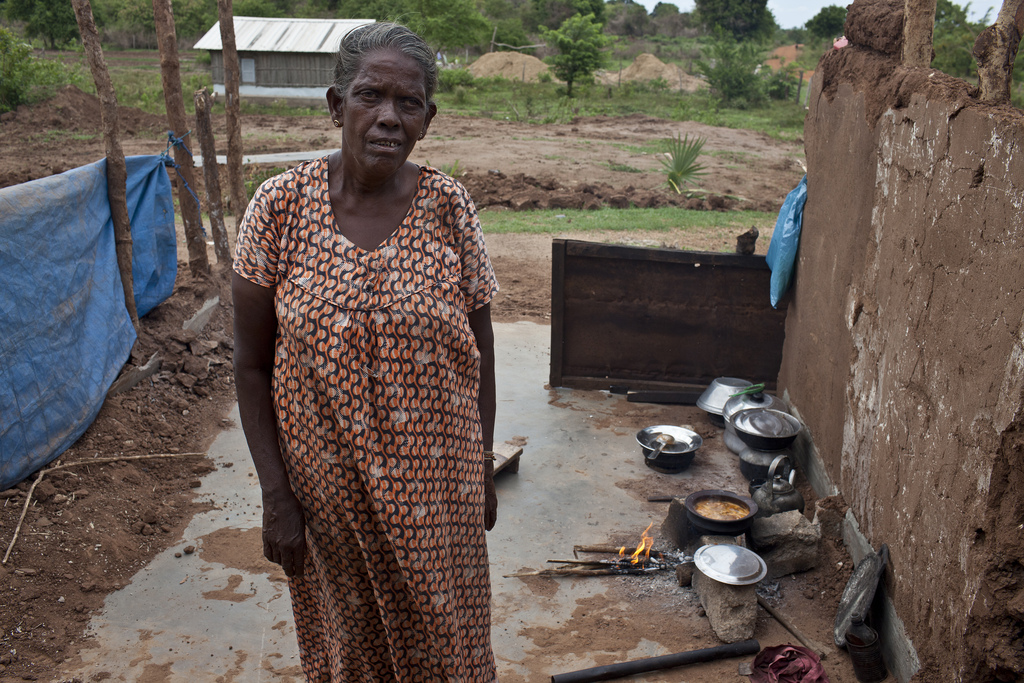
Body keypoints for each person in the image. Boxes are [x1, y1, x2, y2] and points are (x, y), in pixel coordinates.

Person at [232, 22, 499, 682]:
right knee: (352, 651)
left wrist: (484, 463)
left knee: (449, 650)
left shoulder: (449, 208)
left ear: (427, 119)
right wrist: (276, 496)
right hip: (328, 503)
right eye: (370, 96)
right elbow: (250, 362)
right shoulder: (280, 207)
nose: (388, 117)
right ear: (335, 105)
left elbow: (481, 346)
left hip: (439, 497)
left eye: (408, 103)